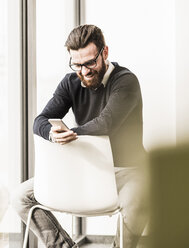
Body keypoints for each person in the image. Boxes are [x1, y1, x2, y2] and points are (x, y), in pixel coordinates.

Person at [11, 24, 148, 248]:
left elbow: (106, 123)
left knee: (141, 196)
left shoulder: (125, 81)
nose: (84, 71)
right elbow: (40, 120)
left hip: (126, 172)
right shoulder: (70, 82)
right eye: (77, 64)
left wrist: (70, 133)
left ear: (105, 53)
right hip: (85, 169)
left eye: (90, 63)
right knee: (21, 197)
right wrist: (54, 135)